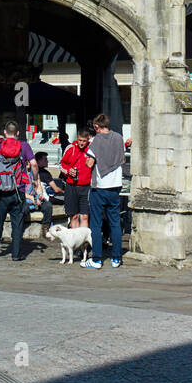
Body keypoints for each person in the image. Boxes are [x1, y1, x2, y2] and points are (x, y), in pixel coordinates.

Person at [0, 120, 39, 261]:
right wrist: (35, 180)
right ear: (18, 133)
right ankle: (16, 254)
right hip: (18, 191)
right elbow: (34, 164)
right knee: (17, 224)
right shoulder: (24, 146)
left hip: (1, 192)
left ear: (5, 133)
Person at [82, 114, 125, 269]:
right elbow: (123, 159)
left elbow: (90, 163)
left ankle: (97, 259)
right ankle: (116, 258)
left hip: (100, 187)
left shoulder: (96, 141)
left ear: (97, 127)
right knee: (114, 222)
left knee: (96, 223)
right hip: (116, 185)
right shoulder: (119, 138)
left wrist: (87, 160)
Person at [60, 129, 93, 229]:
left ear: (88, 140)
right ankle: (76, 243)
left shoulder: (91, 149)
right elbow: (61, 165)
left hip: (86, 187)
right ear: (77, 139)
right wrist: (68, 170)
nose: (81, 143)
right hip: (71, 186)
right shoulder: (70, 148)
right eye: (80, 140)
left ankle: (83, 243)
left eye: (84, 141)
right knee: (74, 216)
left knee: (84, 217)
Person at [31, 151, 64, 236]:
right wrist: (65, 192)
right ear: (38, 161)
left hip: (34, 197)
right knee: (67, 199)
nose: (47, 161)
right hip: (45, 198)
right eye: (45, 160)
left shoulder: (30, 172)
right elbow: (56, 190)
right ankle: (46, 228)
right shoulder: (45, 173)